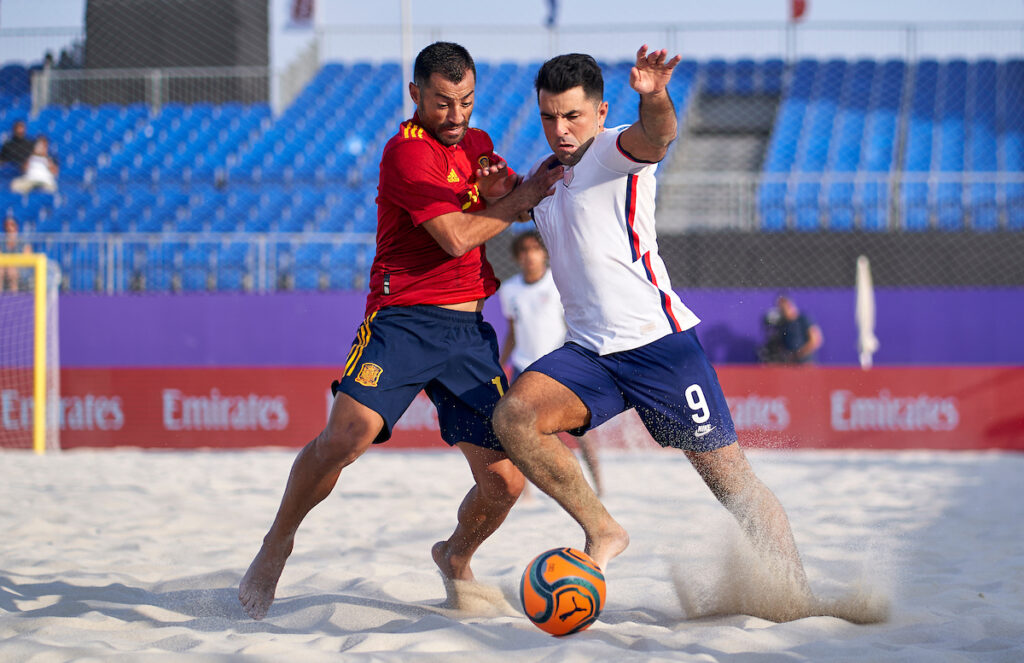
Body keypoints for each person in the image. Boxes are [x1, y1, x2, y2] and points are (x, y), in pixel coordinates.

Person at [238, 41, 562, 621]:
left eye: (466, 101)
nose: (457, 115)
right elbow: (458, 237)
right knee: (345, 438)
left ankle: (455, 556)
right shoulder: (405, 153)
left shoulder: (479, 143)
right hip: (404, 318)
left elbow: (512, 201)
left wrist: (507, 192)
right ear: (416, 95)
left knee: (506, 484)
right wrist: (519, 197)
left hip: (467, 332)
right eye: (442, 102)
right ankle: (277, 542)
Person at [492, 47, 812, 600]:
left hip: (660, 348)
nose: (560, 129)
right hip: (590, 353)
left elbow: (658, 134)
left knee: (731, 483)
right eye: (549, 117)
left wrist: (656, 95)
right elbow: (516, 205)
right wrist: (502, 187)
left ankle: (798, 597)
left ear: (600, 110)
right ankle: (603, 530)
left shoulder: (616, 149)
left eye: (572, 115)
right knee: (515, 418)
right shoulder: (545, 178)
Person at [497, 230, 603, 496]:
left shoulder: (557, 283)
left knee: (580, 430)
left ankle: (599, 485)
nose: (530, 255)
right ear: (517, 257)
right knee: (515, 430)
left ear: (544, 253)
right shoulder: (509, 289)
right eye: (524, 251)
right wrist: (500, 362)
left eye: (534, 249)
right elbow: (512, 330)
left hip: (557, 364)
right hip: (523, 365)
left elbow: (573, 323)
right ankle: (525, 493)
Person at [757, 294, 824, 364]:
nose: (782, 311)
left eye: (783, 308)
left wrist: (799, 354)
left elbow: (815, 340)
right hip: (791, 364)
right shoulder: (783, 323)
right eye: (780, 309)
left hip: (806, 363)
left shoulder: (803, 319)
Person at [1, 212, 31, 292]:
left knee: (12, 271)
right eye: (7, 226)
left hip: (20, 270)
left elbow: (28, 261)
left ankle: (14, 296)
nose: (10, 228)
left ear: (16, 227)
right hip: (5, 268)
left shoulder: (23, 243)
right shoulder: (2, 243)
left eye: (12, 225)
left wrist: (14, 264)